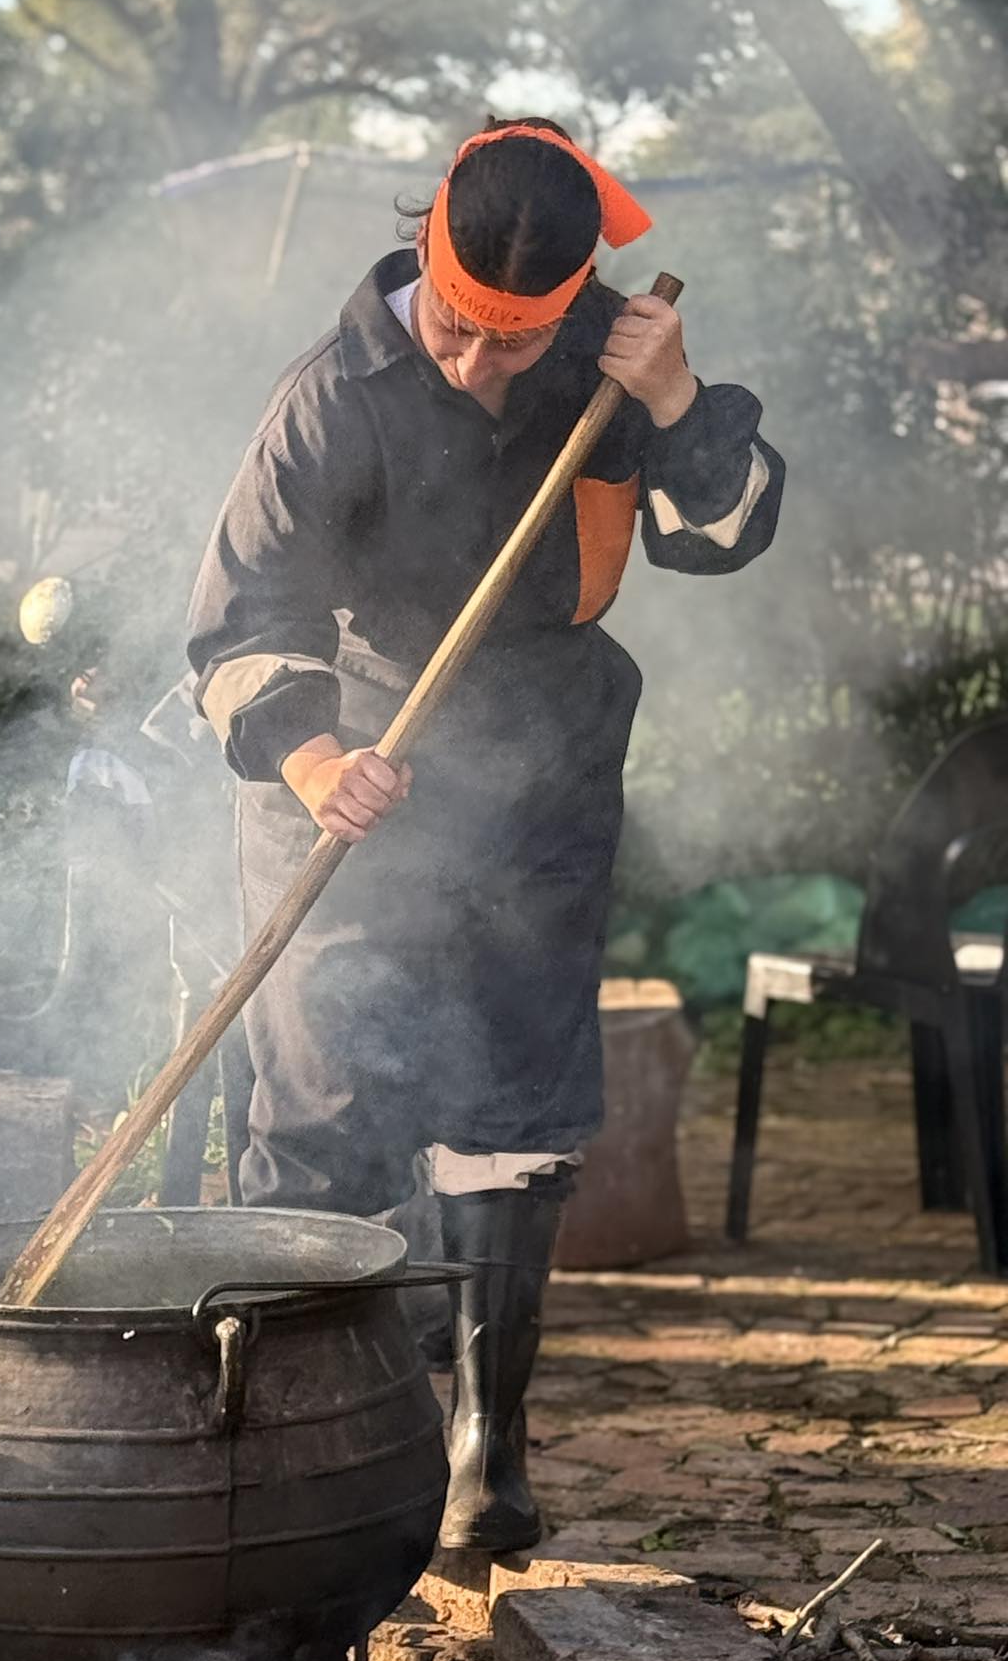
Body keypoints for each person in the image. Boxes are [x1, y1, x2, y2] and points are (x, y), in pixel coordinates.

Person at [186, 118, 785, 1557]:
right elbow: (240, 621)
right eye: (459, 327)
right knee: (326, 1103)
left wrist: (680, 399)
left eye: (513, 342)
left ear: (571, 303)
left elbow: (723, 533)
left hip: (544, 767)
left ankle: (485, 1445)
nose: (474, 365)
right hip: (354, 758)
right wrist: (316, 759)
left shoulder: (613, 369)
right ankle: (301, 1452)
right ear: (429, 259)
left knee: (514, 1095)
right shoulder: (333, 396)